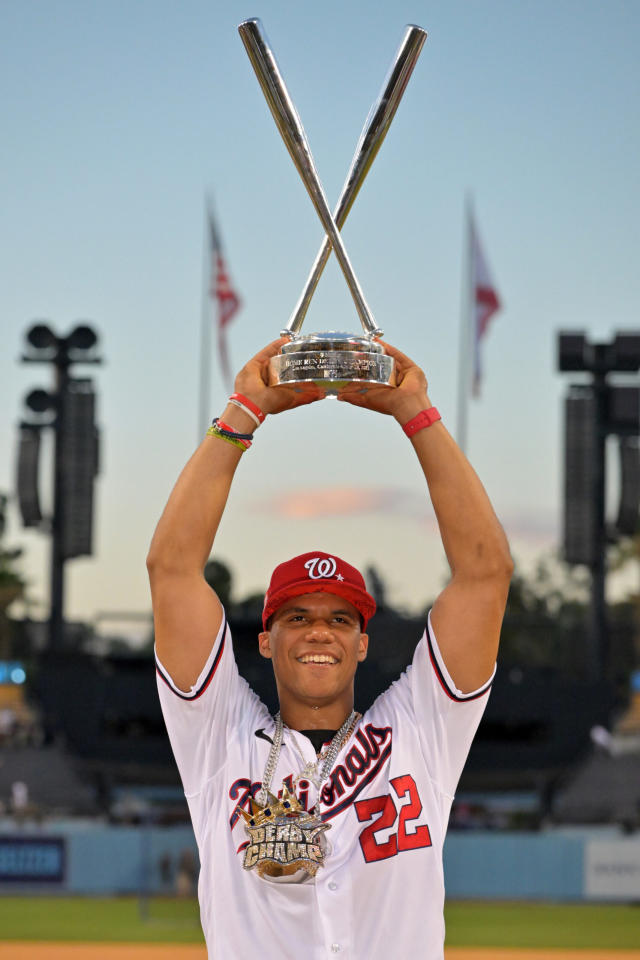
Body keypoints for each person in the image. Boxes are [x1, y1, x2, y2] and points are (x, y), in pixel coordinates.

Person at [147, 338, 512, 959]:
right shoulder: (216, 736)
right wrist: (241, 414)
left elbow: (486, 573)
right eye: (298, 617)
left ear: (363, 643)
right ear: (265, 640)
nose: (319, 631)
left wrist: (417, 416)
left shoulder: (422, 731)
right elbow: (172, 568)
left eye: (340, 619)